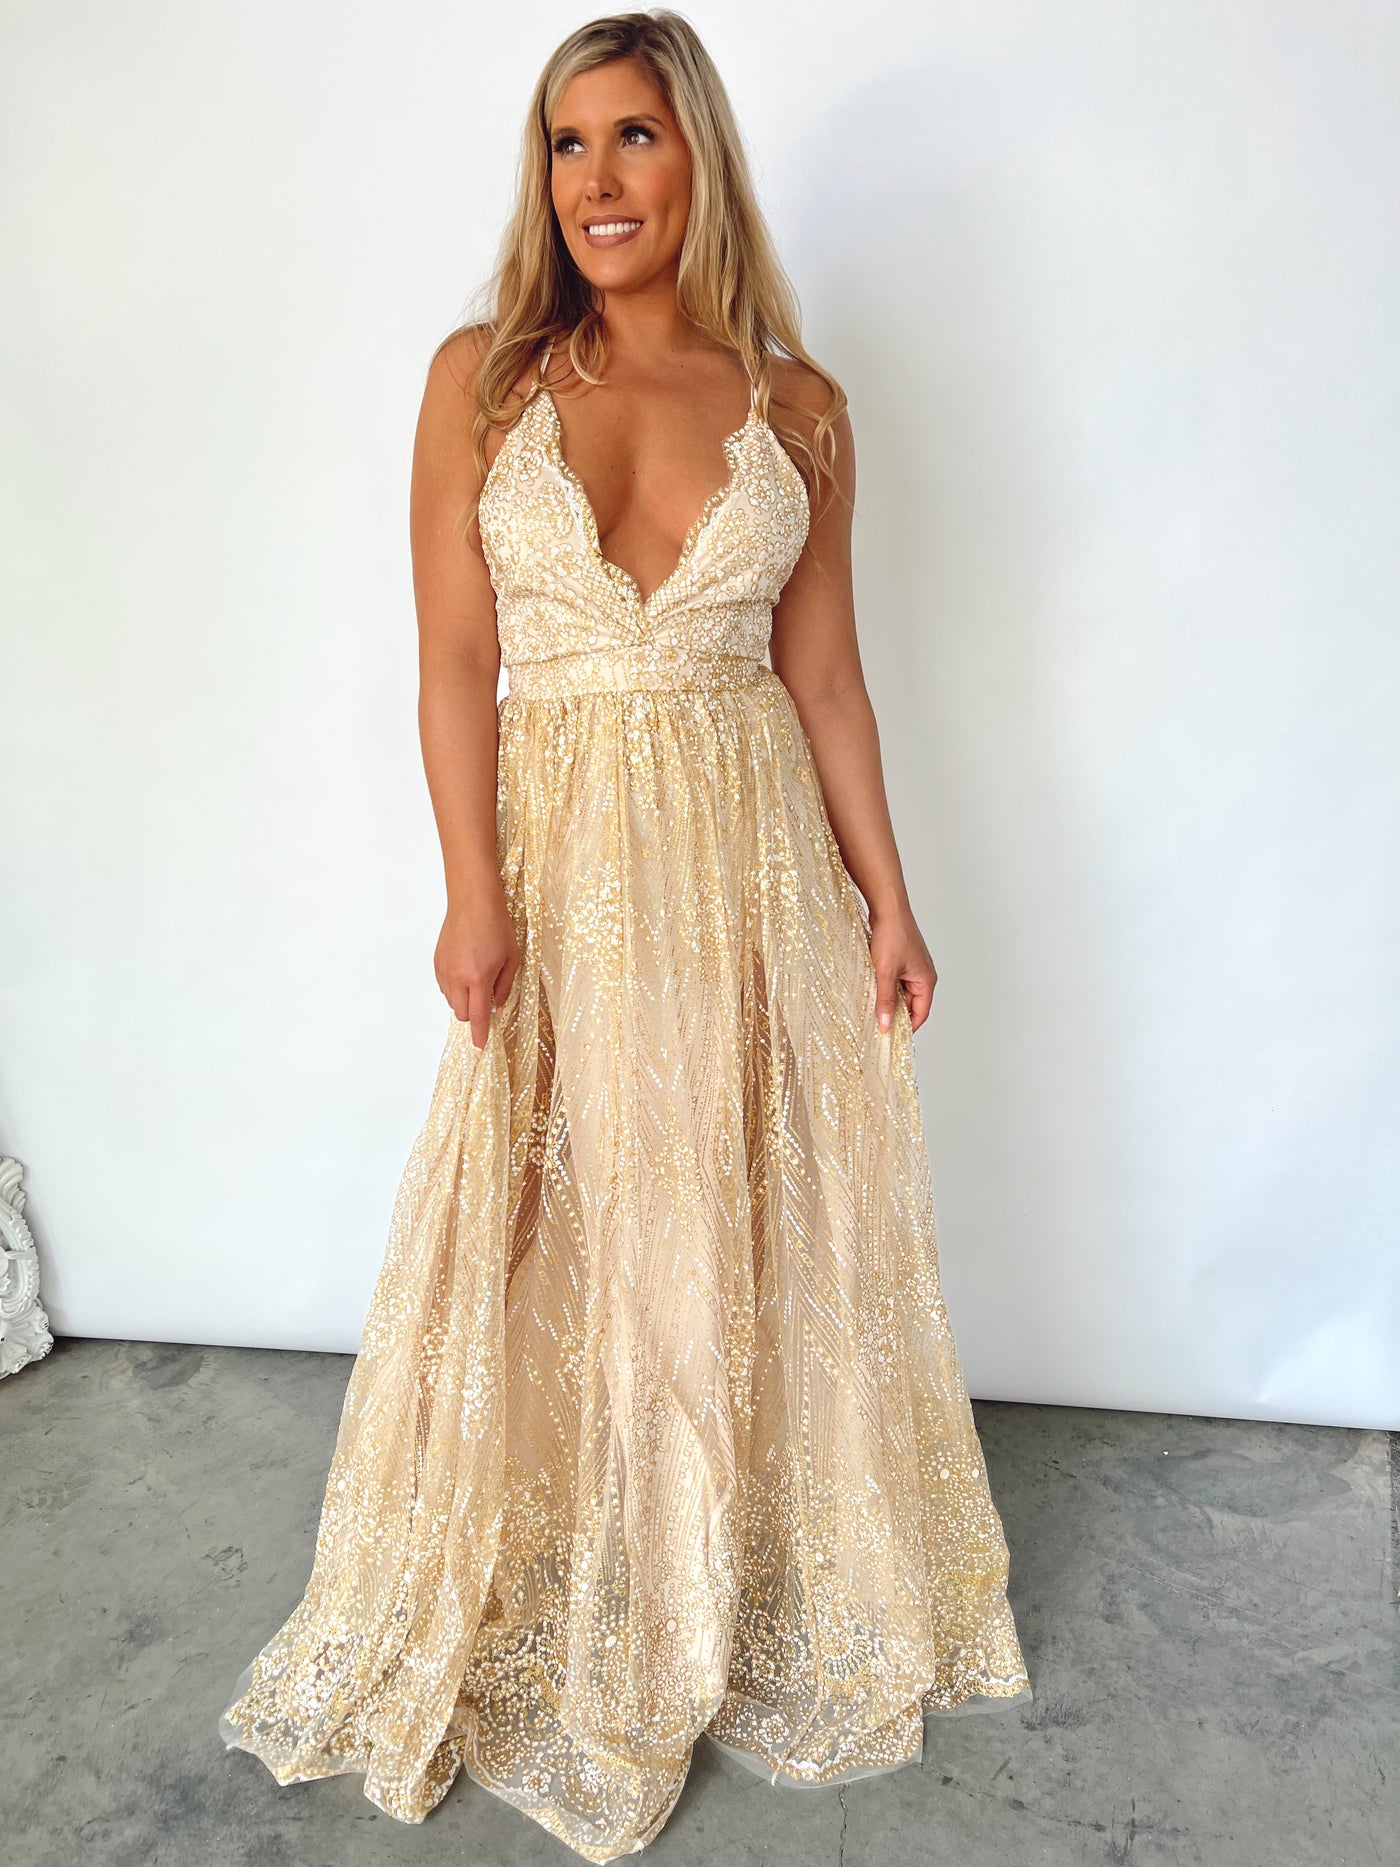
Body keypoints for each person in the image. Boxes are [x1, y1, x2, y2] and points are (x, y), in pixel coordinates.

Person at [218, 10, 1031, 1860]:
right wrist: (471, 891)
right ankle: (578, 1543)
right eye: (567, 143)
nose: (597, 180)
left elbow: (828, 679)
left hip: (751, 865)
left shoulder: (800, 407)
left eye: (635, 138)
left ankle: (704, 1552)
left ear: (700, 161)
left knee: (731, 1203)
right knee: (540, 1203)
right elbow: (452, 659)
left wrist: (891, 899)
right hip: (563, 859)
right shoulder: (486, 379)